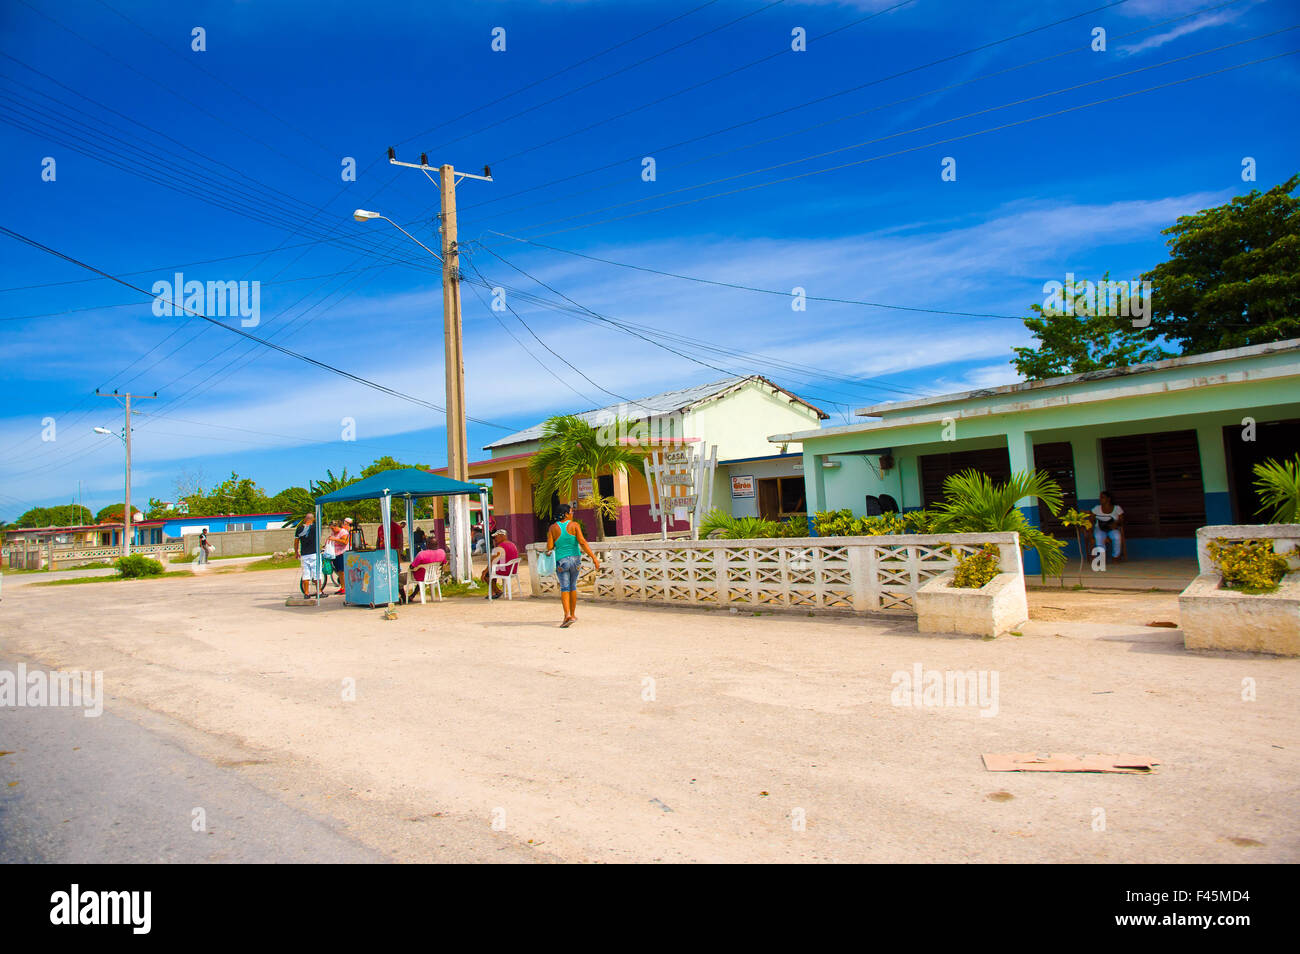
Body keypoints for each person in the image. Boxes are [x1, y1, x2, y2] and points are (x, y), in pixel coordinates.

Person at [545, 504, 600, 627]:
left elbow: (549, 547)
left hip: (561, 561)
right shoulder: (575, 526)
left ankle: (567, 615)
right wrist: (594, 558)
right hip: (575, 560)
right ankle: (573, 614)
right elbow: (582, 542)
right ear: (565, 514)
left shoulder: (553, 528)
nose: (572, 513)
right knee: (573, 586)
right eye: (571, 512)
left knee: (565, 588)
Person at [480, 528, 519, 598]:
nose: (495, 539)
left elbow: (493, 561)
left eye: (496, 537)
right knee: (493, 570)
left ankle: (497, 591)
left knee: (487, 574)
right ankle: (493, 592)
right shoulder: (512, 544)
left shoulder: (500, 546)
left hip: (506, 570)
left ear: (502, 536)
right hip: (512, 570)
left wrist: (484, 571)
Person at [1091, 490, 1125, 563]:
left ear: (1108, 499)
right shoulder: (1097, 508)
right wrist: (1091, 517)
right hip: (1100, 528)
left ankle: (1115, 556)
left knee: (1117, 536)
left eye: (1102, 497)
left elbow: (1121, 520)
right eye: (1100, 497)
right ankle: (1101, 557)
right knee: (1098, 537)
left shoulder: (1117, 508)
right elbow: (1092, 519)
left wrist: (1116, 523)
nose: (1100, 499)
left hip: (1112, 528)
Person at [294, 513, 322, 597]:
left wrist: (296, 552)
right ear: (313, 519)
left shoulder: (299, 528)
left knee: (306, 574)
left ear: (305, 519)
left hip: (304, 554)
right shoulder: (315, 527)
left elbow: (296, 541)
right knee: (317, 573)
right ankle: (319, 592)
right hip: (315, 553)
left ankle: (306, 593)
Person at [328, 520, 350, 595]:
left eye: (333, 528)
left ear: (337, 526)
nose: (332, 530)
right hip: (335, 554)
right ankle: (342, 587)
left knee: (342, 571)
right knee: (339, 572)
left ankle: (345, 588)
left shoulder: (343, 532)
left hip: (342, 553)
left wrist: (335, 539)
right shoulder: (333, 533)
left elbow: (345, 542)